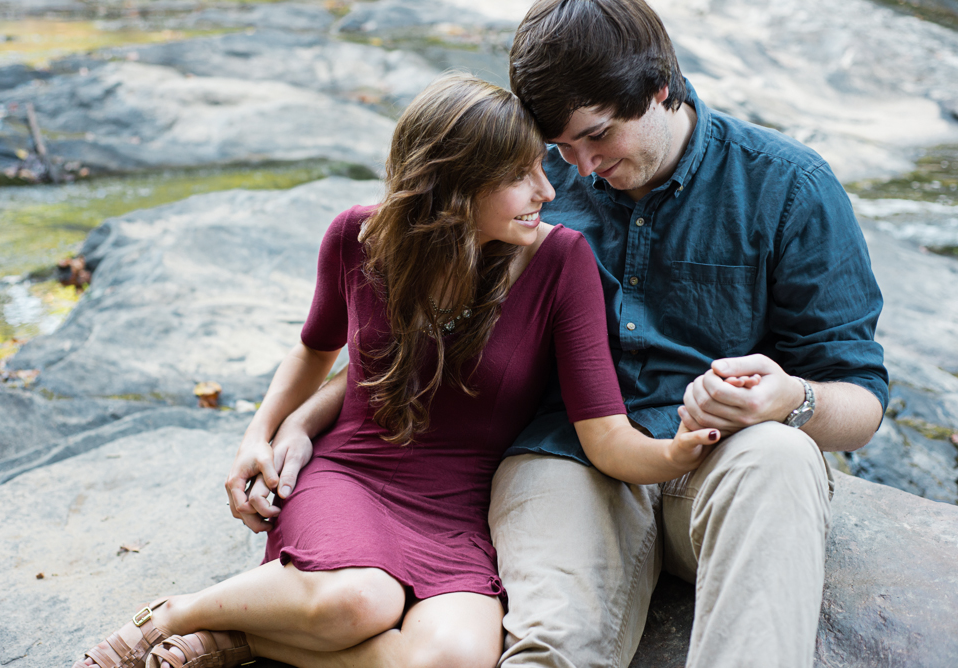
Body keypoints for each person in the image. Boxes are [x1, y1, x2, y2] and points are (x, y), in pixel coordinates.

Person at [232, 2, 891, 667]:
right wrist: (300, 425)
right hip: (566, 459)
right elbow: (409, 338)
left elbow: (861, 401)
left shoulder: (789, 187)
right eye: (561, 145)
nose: (576, 168)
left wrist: (790, 400)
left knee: (782, 455)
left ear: (662, 87)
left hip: (726, 464)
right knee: (555, 647)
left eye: (597, 137)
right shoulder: (516, 184)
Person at [73, 73, 725, 668]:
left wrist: (679, 450)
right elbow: (315, 350)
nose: (548, 191)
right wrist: (260, 437)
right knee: (358, 602)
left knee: (456, 658)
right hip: (354, 476)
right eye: (522, 176)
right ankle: (171, 615)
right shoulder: (357, 239)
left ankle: (239, 638)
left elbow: (603, 432)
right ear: (457, 185)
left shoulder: (561, 261)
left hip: (462, 510)